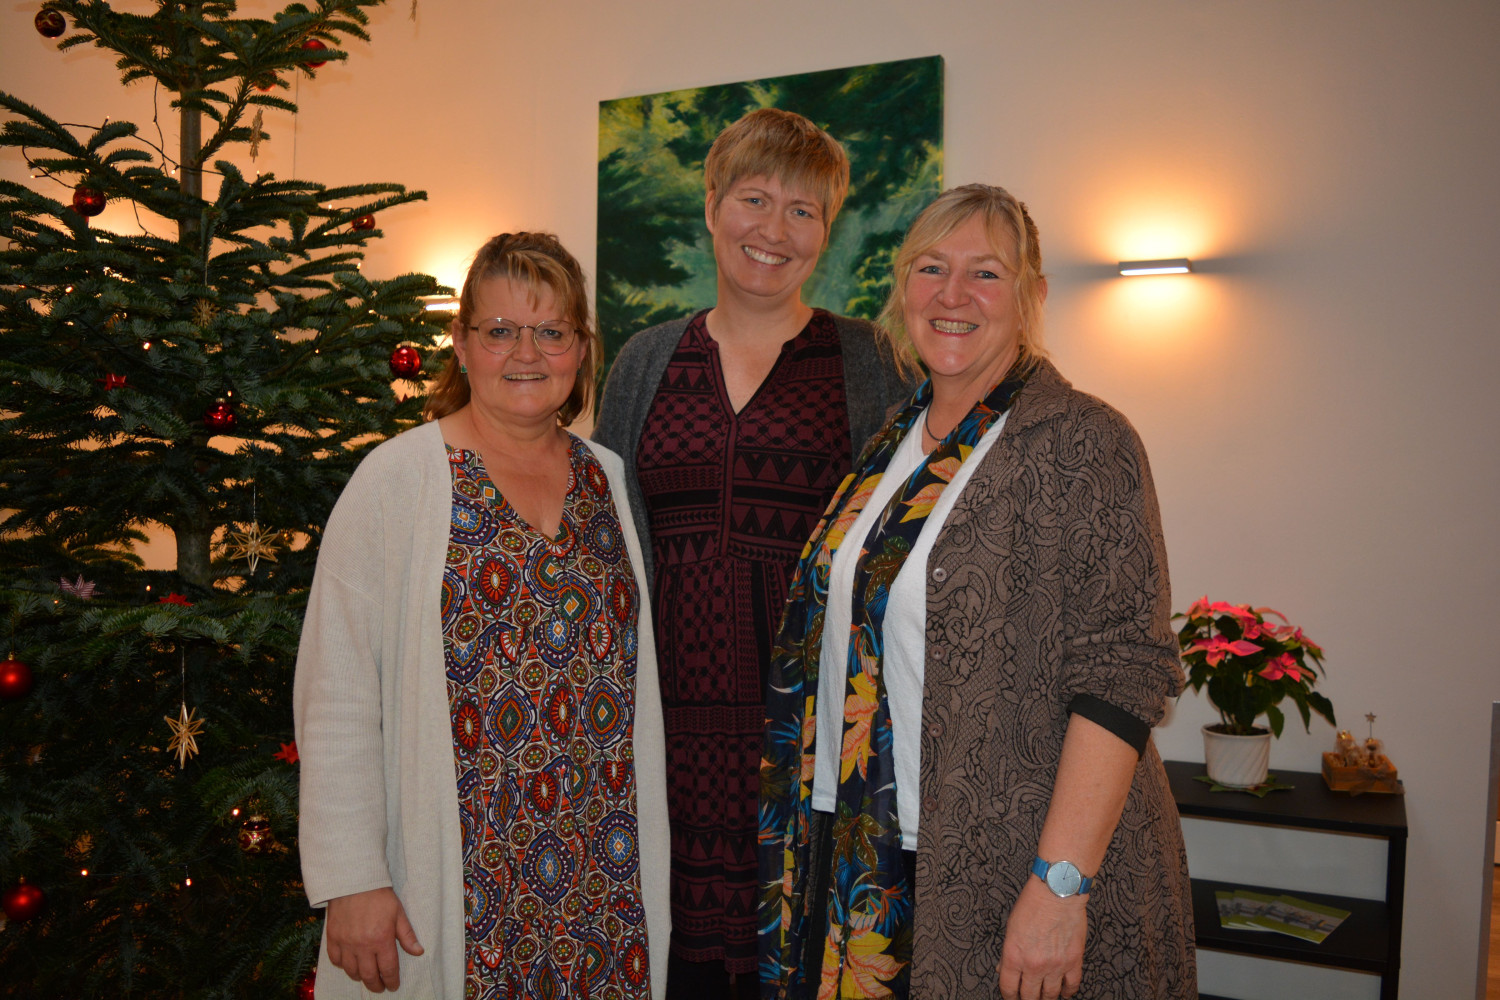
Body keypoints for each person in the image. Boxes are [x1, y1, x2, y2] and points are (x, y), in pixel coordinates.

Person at [759, 185, 1196, 1000]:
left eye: (985, 274)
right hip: (876, 853)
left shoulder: (1082, 439)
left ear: (1031, 296)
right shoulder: (893, 437)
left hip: (1018, 871)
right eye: (932, 268)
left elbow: (1123, 674)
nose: (952, 295)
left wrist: (1058, 886)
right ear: (903, 288)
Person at [295, 232, 669, 999]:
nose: (525, 352)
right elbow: (335, 693)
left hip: (603, 875)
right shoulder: (397, 480)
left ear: (580, 349)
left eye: (551, 331)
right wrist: (351, 877)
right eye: (499, 330)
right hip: (459, 873)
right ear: (462, 345)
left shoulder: (611, 480)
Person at [594, 108, 911, 999]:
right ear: (711, 206)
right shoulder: (645, 360)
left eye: (803, 211)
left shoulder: (873, 360)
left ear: (828, 229)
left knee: (804, 969)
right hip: (670, 743)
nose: (774, 231)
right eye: (755, 199)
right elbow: (607, 546)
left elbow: (906, 551)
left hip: (806, 745)